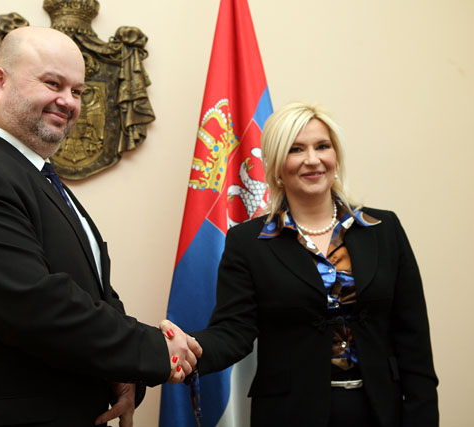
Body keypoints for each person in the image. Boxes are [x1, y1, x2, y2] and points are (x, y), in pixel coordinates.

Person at [0, 27, 200, 427]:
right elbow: (32, 304)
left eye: (78, 91)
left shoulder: (38, 178)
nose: (68, 101)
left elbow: (93, 293)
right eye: (53, 84)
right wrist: (153, 350)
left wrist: (122, 371)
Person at [166, 101, 438, 426]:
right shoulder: (248, 242)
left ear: (336, 156)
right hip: (289, 414)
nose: (312, 159)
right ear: (277, 165)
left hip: (381, 410)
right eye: (296, 149)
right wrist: (192, 349)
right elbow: (233, 331)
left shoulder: (384, 230)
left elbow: (413, 339)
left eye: (322, 146)